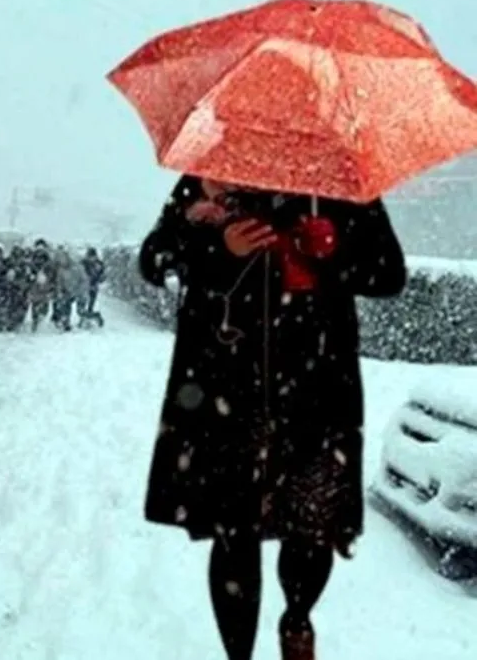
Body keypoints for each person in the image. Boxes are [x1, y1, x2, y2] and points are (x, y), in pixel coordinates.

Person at [138, 175, 406, 660]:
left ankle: (297, 620)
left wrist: (333, 251)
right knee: (233, 530)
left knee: (312, 525)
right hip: (228, 388)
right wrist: (219, 246)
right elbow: (154, 260)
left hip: (318, 389)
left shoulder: (341, 181)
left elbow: (389, 276)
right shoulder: (210, 174)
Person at [51, 245, 87, 331]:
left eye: (63, 259)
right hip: (67, 292)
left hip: (79, 292)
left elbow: (84, 281)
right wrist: (59, 292)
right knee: (65, 306)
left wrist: (78, 291)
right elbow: (59, 282)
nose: (61, 262)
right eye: (60, 260)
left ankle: (90, 318)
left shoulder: (77, 267)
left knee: (80, 311)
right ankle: (66, 323)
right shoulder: (61, 270)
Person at [80, 247, 106, 318]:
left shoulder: (99, 264)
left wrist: (99, 278)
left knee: (90, 305)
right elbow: (78, 273)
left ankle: (91, 317)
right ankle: (88, 317)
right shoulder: (83, 262)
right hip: (84, 287)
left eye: (92, 256)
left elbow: (102, 276)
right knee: (81, 306)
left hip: (93, 286)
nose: (91, 258)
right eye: (89, 256)